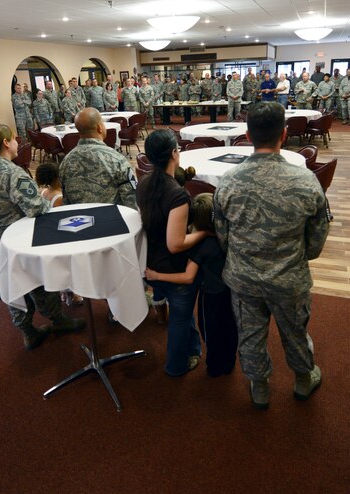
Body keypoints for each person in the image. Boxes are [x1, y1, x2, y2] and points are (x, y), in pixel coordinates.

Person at [213, 102, 330, 409]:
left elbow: (222, 235)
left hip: (243, 278)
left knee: (250, 336)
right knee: (295, 333)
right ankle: (304, 381)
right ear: (285, 134)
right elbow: (317, 240)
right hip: (289, 278)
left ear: (248, 135)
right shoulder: (306, 181)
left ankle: (260, 386)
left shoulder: (228, 181)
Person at [0, 124, 84, 349]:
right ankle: (57, 319)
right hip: (19, 240)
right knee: (39, 281)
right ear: (6, 143)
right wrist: (47, 200)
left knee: (12, 285)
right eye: (14, 139)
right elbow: (36, 208)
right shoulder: (13, 173)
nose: (16, 142)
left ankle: (27, 331)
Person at [137, 129, 208, 376]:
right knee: (179, 319)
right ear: (174, 154)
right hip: (173, 267)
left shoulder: (144, 183)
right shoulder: (177, 194)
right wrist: (205, 232)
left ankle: (192, 349)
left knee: (183, 313)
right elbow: (176, 244)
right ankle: (176, 366)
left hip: (151, 263)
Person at [145, 192, 238, 377]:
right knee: (230, 327)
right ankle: (229, 362)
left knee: (211, 332)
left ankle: (215, 367)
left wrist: (157, 276)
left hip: (211, 296)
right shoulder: (228, 235)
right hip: (231, 290)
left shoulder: (202, 245)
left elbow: (188, 277)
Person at [58, 108, 137, 208]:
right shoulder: (116, 159)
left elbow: (66, 200)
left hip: (78, 220)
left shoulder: (65, 162)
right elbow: (131, 198)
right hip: (111, 220)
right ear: (100, 127)